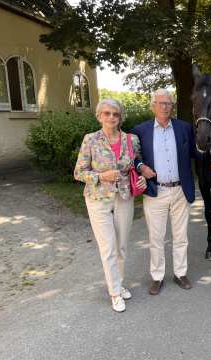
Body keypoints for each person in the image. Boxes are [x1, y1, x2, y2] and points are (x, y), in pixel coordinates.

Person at [74, 99, 147, 313]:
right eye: (107, 113)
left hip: (124, 197)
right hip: (98, 199)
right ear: (99, 116)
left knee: (122, 246)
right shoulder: (90, 139)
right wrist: (101, 176)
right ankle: (115, 292)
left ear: (120, 116)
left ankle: (119, 283)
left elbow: (137, 165)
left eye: (115, 113)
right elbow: (79, 172)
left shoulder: (131, 140)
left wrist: (141, 178)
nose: (111, 117)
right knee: (108, 248)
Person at [133, 88, 197, 295]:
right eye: (160, 103)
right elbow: (133, 156)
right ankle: (157, 276)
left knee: (181, 236)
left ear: (172, 106)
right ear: (153, 106)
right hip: (156, 191)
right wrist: (141, 166)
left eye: (168, 103)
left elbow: (196, 152)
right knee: (156, 237)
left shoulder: (184, 128)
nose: (164, 107)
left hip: (180, 189)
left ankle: (180, 273)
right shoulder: (141, 130)